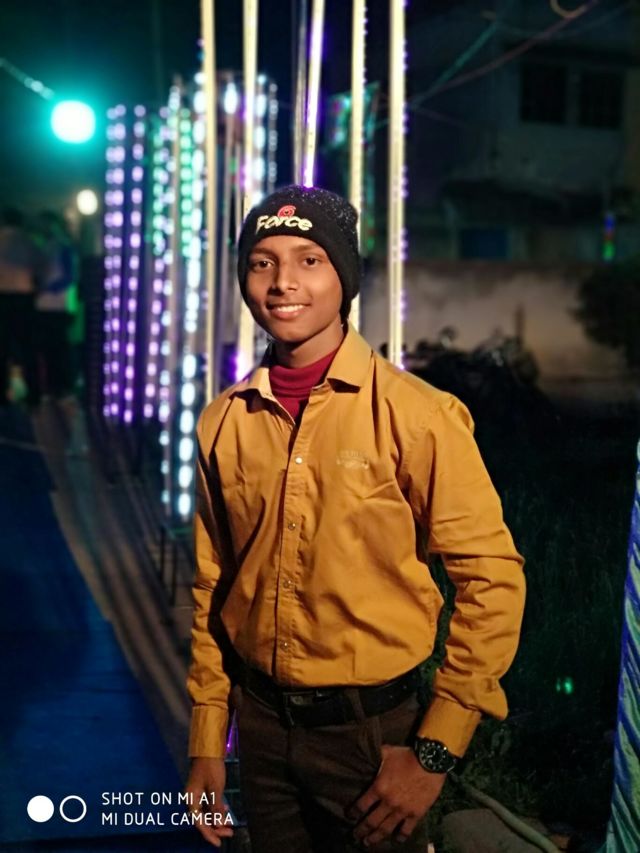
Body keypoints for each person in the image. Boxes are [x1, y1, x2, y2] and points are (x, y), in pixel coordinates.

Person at [185, 186, 525, 852]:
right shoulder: (224, 421)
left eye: (309, 260)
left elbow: (492, 578)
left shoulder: (417, 415)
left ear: (345, 276)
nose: (283, 282)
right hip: (260, 730)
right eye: (262, 262)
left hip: (373, 738)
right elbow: (212, 586)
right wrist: (206, 736)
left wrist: (433, 751)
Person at [0, 208, 40, 404]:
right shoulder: (28, 242)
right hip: (24, 297)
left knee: (2, 347)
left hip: (3, 296)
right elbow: (41, 266)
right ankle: (34, 393)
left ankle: (2, 393)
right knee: (27, 346)